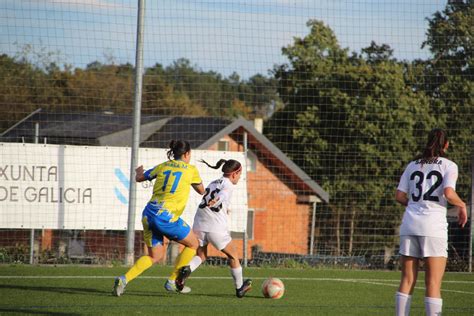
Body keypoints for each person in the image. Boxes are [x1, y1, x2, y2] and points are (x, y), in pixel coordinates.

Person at [113, 140, 205, 296]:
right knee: (193, 244)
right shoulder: (191, 170)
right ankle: (173, 281)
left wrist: (138, 171)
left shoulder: (163, 166)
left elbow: (140, 178)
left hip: (149, 214)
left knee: (155, 255)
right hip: (166, 217)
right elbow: (201, 190)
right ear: (186, 154)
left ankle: (124, 279)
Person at [394, 128, 467, 316]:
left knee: (407, 280)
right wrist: (462, 205)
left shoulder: (412, 165)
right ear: (446, 145)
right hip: (433, 227)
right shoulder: (449, 165)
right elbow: (449, 193)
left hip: (409, 225)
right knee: (433, 283)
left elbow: (399, 196)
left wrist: (415, 205)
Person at [175, 158, 252, 298]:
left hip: (199, 224)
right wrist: (216, 200)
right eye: (240, 175)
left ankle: (187, 269)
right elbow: (222, 195)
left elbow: (217, 196)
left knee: (201, 255)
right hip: (216, 227)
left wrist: (215, 201)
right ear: (235, 173)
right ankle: (240, 288)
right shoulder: (228, 185)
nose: (239, 178)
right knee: (233, 256)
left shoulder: (213, 183)